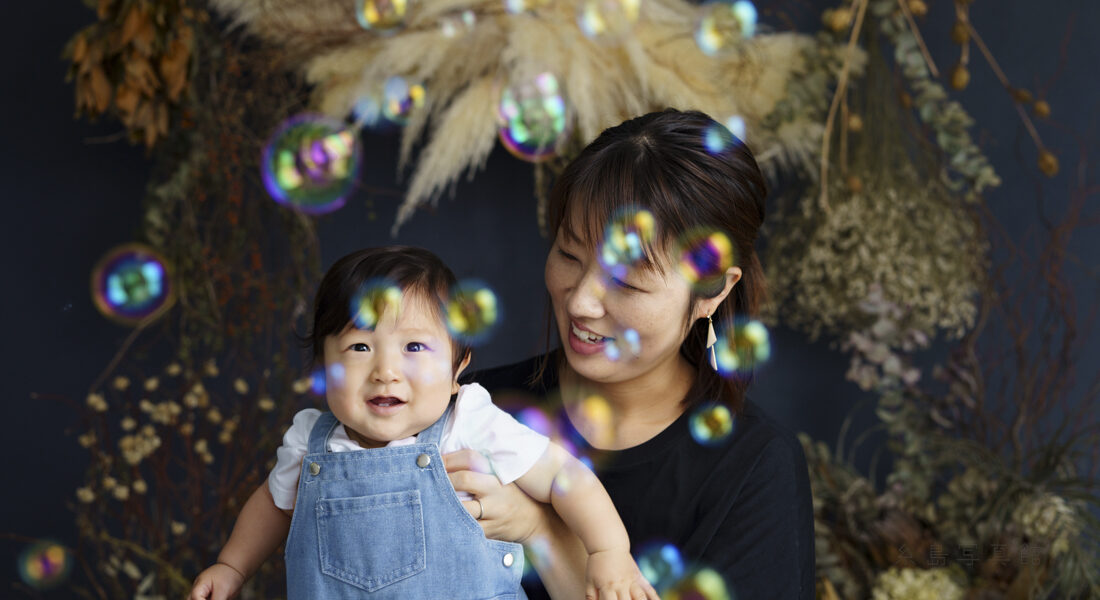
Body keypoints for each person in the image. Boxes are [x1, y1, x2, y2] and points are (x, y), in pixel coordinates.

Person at [446, 109, 815, 599]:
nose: (580, 301)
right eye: (569, 255)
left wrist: (540, 531)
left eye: (627, 282)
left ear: (712, 293)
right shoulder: (472, 408)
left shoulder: (754, 466)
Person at [189, 246, 659, 600]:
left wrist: (608, 551)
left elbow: (565, 477)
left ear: (458, 368)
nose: (385, 370)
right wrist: (232, 566)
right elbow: (273, 506)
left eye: (414, 347)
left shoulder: (469, 422)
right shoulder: (311, 441)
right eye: (358, 348)